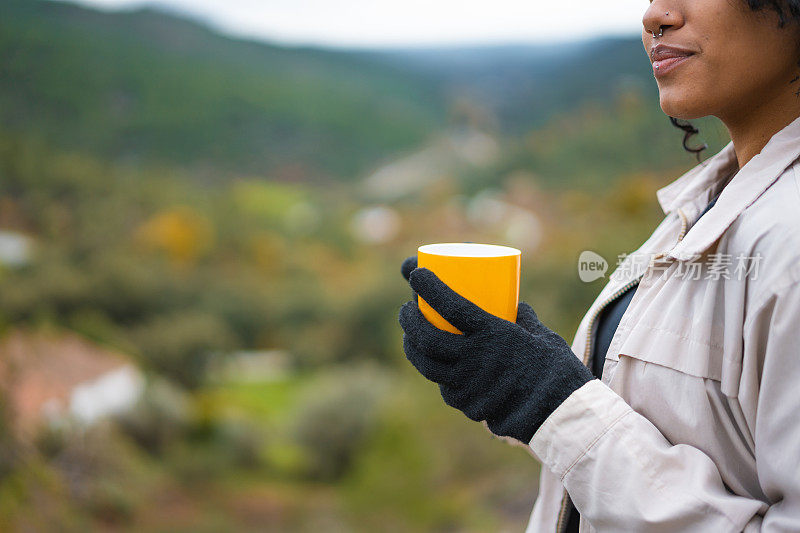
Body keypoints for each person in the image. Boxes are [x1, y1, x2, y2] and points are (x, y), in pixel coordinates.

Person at [397, 0, 800, 531]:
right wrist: (520, 378)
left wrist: (550, 402)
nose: (655, 15)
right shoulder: (711, 201)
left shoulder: (788, 237)